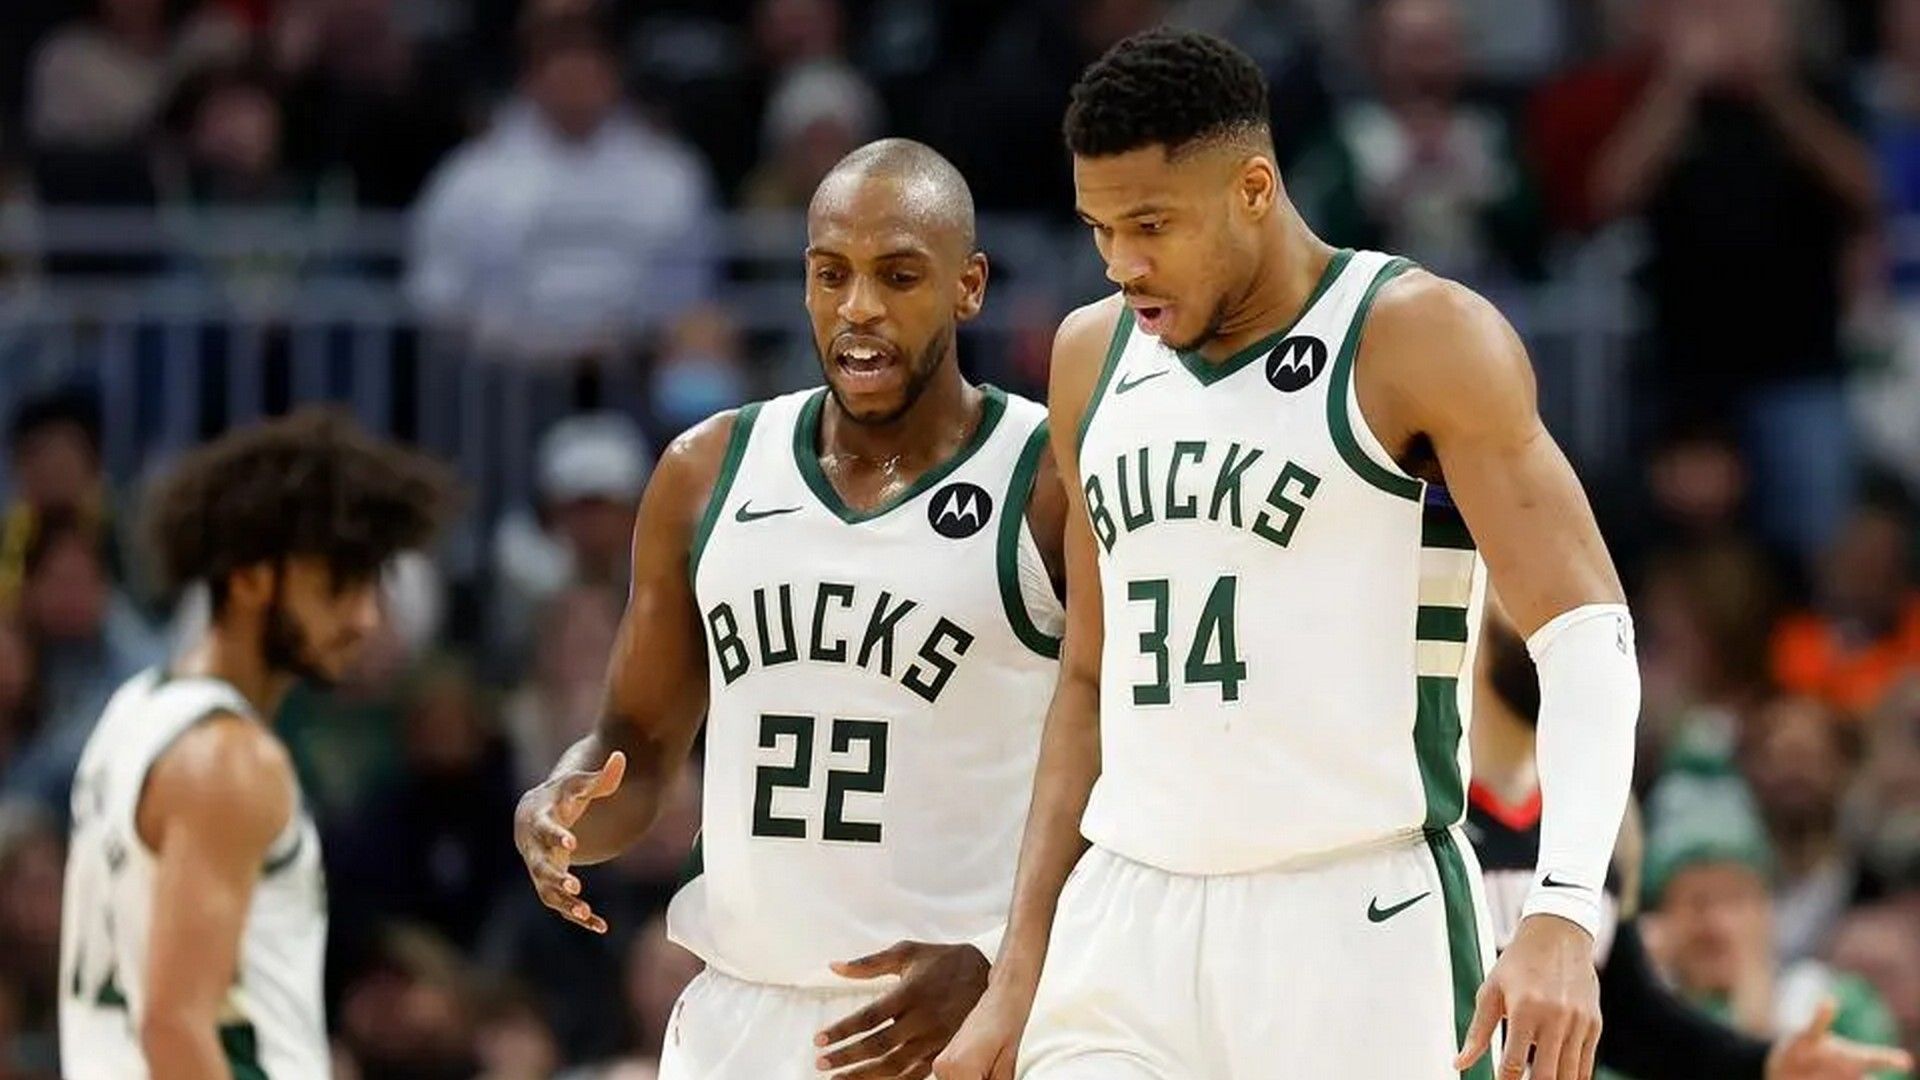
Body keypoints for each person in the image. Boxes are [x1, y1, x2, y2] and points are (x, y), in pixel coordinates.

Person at [939, 28, 1638, 1080]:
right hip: (1126, 918)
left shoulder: (1417, 336)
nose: (1123, 263)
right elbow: (1086, 680)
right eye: (1099, 230)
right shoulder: (1091, 356)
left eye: (1151, 226)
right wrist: (1017, 970)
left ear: (1255, 189)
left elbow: (1587, 634)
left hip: (1353, 918)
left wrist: (1564, 911)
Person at [512, 138, 1067, 1080]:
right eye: (830, 274)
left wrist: (1009, 960)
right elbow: (634, 747)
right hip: (741, 1015)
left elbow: (1126, 766)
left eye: (899, 276)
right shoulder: (706, 472)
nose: (860, 308)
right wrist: (560, 808)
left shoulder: (1048, 475)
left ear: (968, 287)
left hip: (958, 1018)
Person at [56, 409, 455, 1078]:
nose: (364, 619)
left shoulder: (135, 712)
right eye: (338, 586)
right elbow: (175, 1027)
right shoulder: (230, 760)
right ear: (249, 578)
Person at [1469, 610, 1912, 1079]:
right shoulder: (1431, 811)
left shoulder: (1604, 822)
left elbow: (1632, 1020)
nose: (1564, 631)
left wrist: (1766, 1062)